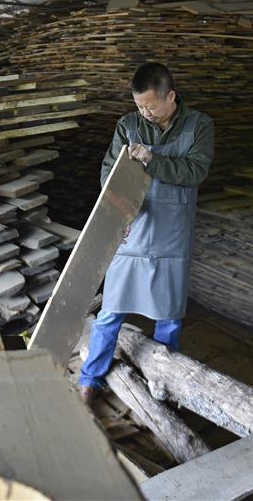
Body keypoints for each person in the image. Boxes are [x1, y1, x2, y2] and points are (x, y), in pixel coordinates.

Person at [79, 62, 214, 405]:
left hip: (172, 233)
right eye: (140, 106)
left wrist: (152, 159)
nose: (145, 113)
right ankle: (90, 378)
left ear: (171, 96)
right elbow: (109, 172)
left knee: (169, 315)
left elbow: (195, 171)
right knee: (111, 310)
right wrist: (117, 213)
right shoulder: (128, 125)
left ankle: (163, 382)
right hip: (132, 230)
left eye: (151, 106)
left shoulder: (199, 126)